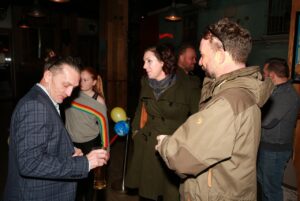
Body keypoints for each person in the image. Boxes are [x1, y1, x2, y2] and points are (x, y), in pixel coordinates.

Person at [155, 18, 274, 200]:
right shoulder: (242, 92)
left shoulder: (229, 102)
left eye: (203, 55)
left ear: (220, 56)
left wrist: (164, 143)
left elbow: (182, 157)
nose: (200, 62)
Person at [4, 56, 109, 201]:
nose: (70, 93)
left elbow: (44, 142)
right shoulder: (36, 106)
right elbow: (30, 163)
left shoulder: (45, 100)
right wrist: (84, 163)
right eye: (66, 85)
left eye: (74, 87)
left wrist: (68, 150)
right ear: (48, 76)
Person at [125, 44, 200, 201]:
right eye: (144, 61)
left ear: (163, 62)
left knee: (169, 193)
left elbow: (197, 118)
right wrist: (136, 133)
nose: (144, 66)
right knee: (147, 193)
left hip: (172, 148)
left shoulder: (188, 85)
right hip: (148, 146)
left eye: (149, 61)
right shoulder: (146, 82)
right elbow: (140, 109)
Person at [257, 58, 300, 201]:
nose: (263, 77)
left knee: (271, 190)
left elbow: (267, 121)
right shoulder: (278, 91)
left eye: (264, 74)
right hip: (268, 148)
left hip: (275, 151)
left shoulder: (287, 94)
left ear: (272, 76)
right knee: (264, 186)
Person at [65, 66, 109, 201]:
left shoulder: (98, 100)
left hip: (90, 143)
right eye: (80, 79)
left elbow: (104, 126)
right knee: (74, 180)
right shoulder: (70, 93)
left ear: (94, 82)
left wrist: (106, 149)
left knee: (89, 182)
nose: (81, 83)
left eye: (85, 80)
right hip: (72, 143)